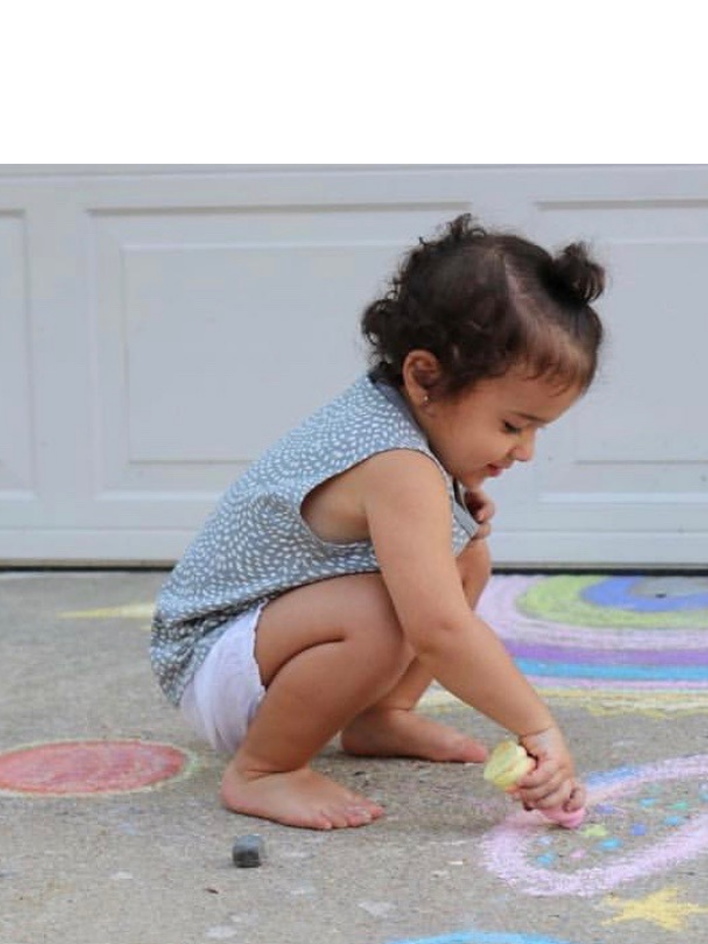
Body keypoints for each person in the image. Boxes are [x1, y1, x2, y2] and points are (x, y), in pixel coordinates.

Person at [149, 214, 607, 832]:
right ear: (424, 377)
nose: (525, 450)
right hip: (208, 657)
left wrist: (453, 508)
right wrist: (536, 727)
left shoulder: (402, 422)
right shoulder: (396, 462)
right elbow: (439, 629)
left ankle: (379, 717)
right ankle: (265, 770)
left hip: (259, 644)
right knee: (386, 614)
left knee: (465, 554)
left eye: (534, 431)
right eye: (511, 425)